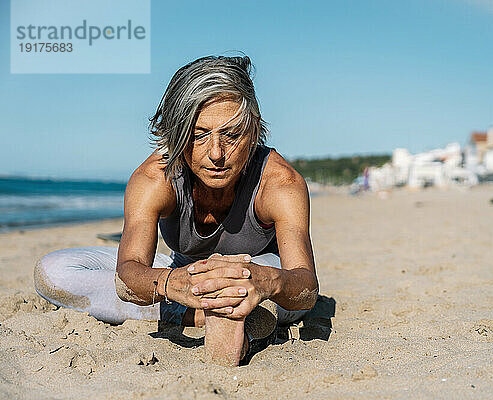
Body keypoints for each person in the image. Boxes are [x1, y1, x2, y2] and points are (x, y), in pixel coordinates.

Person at [34, 55, 319, 366]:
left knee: (278, 293)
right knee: (53, 271)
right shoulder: (155, 178)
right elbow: (129, 269)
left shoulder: (280, 183)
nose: (216, 154)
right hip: (183, 269)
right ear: (177, 132)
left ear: (253, 130)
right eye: (198, 135)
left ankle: (242, 308)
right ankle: (210, 316)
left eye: (232, 135)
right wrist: (172, 284)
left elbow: (305, 284)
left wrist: (267, 282)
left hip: (257, 273)